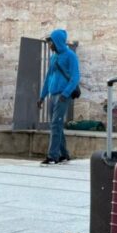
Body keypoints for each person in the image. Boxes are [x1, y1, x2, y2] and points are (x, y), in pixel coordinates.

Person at [37, 29, 80, 166]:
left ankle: (52, 157)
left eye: (51, 42)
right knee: (56, 125)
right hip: (53, 94)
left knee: (56, 124)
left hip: (62, 95)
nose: (50, 45)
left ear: (58, 42)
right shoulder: (53, 57)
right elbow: (48, 77)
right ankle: (64, 154)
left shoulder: (70, 56)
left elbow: (75, 77)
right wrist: (42, 96)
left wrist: (65, 94)